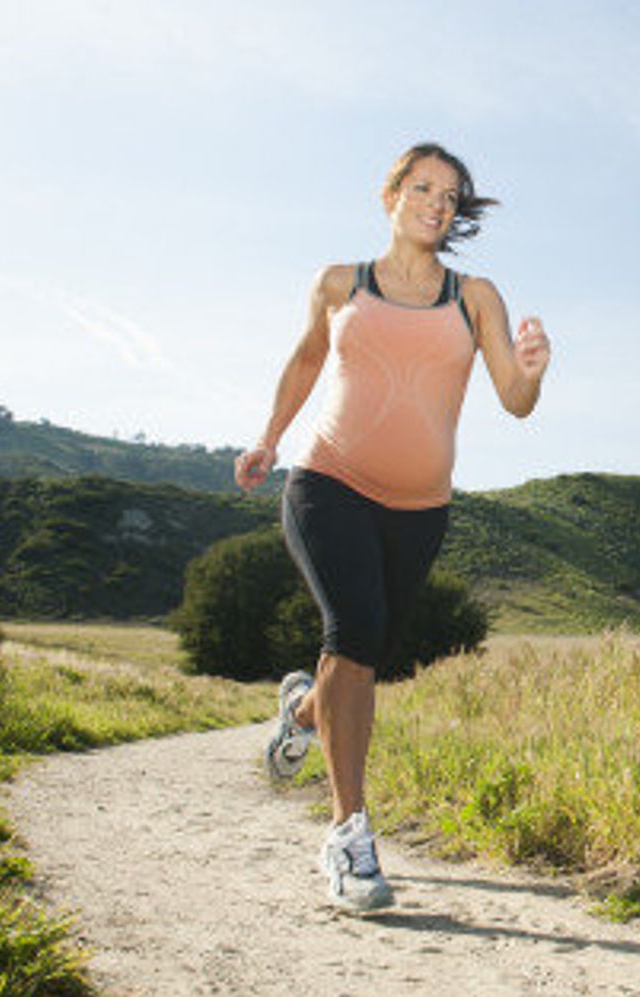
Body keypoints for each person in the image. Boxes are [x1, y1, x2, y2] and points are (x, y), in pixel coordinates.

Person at [234, 142, 551, 912]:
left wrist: (534, 372)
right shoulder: (342, 281)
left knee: (363, 649)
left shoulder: (475, 296)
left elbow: (513, 398)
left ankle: (304, 710)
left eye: (450, 195)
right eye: (422, 188)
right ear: (392, 195)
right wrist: (269, 437)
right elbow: (308, 360)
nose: (437, 203)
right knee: (355, 626)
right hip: (327, 480)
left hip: (419, 510)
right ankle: (349, 835)